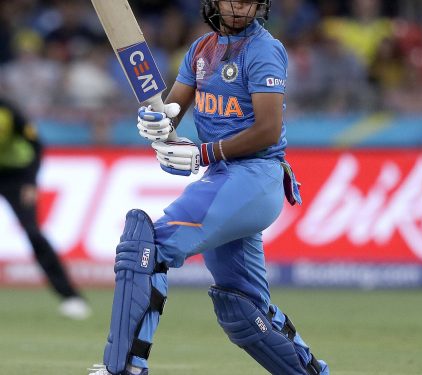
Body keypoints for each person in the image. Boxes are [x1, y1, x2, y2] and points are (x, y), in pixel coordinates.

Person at [88, 1, 328, 374]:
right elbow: (172, 110)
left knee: (145, 247)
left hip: (254, 177)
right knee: (242, 307)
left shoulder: (263, 49)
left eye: (248, 0)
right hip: (224, 180)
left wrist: (202, 153)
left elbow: (266, 130)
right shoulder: (201, 50)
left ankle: (123, 368)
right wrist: (159, 126)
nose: (239, 7)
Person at [0, 96, 91, 320]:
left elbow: (36, 145)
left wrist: (30, 182)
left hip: (17, 175)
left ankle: (71, 296)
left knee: (33, 232)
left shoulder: (8, 110)